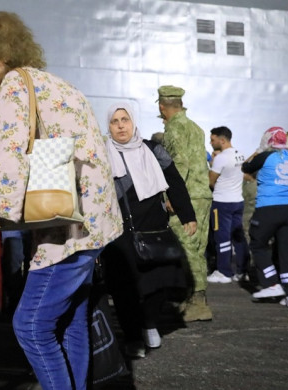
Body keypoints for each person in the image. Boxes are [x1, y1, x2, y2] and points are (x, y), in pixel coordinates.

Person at [0, 12, 123, 389]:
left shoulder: (17, 83)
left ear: (3, 53)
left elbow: (6, 163)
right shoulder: (56, 84)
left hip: (67, 232)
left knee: (30, 326)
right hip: (93, 223)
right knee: (70, 322)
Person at [100, 103, 195, 358]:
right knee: (123, 288)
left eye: (125, 119)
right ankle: (132, 337)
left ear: (133, 122)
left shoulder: (153, 150)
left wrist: (188, 215)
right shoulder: (101, 153)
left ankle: (150, 323)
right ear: (108, 126)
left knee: (158, 283)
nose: (121, 125)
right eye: (115, 121)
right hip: (119, 231)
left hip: (153, 228)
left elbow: (174, 181)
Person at [157, 85, 214, 322]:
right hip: (201, 195)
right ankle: (193, 299)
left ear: (162, 107)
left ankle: (198, 303)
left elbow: (179, 164)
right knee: (197, 248)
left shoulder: (174, 129)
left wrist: (172, 197)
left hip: (187, 197)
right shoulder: (196, 128)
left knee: (188, 249)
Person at [242, 127, 288, 305]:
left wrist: (258, 151)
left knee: (257, 244)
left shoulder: (264, 157)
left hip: (268, 208)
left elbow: (245, 167)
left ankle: (271, 283)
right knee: (286, 251)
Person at [206, 126, 248, 283]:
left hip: (222, 203)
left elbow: (211, 181)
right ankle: (242, 270)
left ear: (222, 140)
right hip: (238, 201)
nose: (211, 143)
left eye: (213, 139)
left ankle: (224, 272)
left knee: (222, 237)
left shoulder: (221, 158)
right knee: (238, 237)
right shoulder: (240, 154)